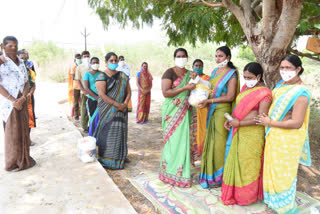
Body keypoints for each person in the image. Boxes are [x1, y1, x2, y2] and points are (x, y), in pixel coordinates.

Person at [255, 55, 312, 214]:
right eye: (282, 68)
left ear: (298, 69)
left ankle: (284, 207)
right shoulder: (281, 85)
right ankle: (273, 203)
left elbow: (296, 123)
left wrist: (270, 123)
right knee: (271, 169)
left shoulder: (301, 93)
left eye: (288, 68)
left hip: (288, 140)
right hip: (274, 135)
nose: (284, 71)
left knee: (282, 173)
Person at [221, 62, 272, 205]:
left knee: (248, 165)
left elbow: (262, 118)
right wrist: (231, 120)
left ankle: (246, 197)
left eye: (250, 77)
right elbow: (240, 109)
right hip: (239, 129)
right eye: (244, 77)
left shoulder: (265, 93)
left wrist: (240, 123)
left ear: (259, 76)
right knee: (237, 162)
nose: (247, 80)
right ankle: (234, 194)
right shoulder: (244, 88)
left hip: (253, 134)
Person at [198, 46, 239, 188]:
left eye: (220, 56)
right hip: (212, 109)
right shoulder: (215, 71)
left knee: (219, 144)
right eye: (216, 56)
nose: (217, 59)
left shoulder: (232, 74)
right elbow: (210, 89)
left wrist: (210, 101)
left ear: (228, 57)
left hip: (222, 112)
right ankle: (209, 173)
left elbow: (230, 96)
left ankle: (219, 176)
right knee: (211, 141)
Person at [159, 48, 196, 188]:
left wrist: (194, 80)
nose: (181, 58)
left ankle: (182, 174)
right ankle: (168, 171)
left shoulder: (189, 74)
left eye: (183, 56)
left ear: (187, 57)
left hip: (185, 111)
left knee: (183, 142)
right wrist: (185, 88)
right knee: (172, 142)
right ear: (174, 58)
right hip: (171, 112)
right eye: (178, 56)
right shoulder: (169, 72)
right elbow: (166, 92)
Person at [0, 36, 36, 171]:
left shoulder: (21, 62)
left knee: (23, 130)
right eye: (10, 46)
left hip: (21, 99)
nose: (14, 48)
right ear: (3, 47)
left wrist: (23, 98)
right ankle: (12, 162)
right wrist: (13, 100)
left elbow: (27, 81)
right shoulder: (1, 61)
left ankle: (24, 159)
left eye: (15, 45)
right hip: (9, 103)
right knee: (12, 132)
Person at [94, 52, 131, 169]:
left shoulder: (123, 75)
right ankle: (106, 159)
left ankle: (120, 157)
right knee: (108, 132)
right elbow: (102, 95)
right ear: (106, 63)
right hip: (108, 109)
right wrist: (117, 105)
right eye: (111, 61)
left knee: (120, 132)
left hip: (121, 108)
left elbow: (129, 91)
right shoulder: (101, 76)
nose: (114, 63)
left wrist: (125, 103)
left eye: (115, 60)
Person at [190, 59, 210, 163]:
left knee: (202, 128)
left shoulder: (207, 78)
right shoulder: (190, 77)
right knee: (193, 128)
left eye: (200, 65)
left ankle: (201, 150)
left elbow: (209, 90)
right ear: (192, 67)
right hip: (192, 108)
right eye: (196, 65)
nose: (198, 67)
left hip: (203, 107)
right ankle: (194, 150)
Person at [18, 50, 37, 137]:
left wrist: (30, 93)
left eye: (26, 58)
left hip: (28, 97)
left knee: (29, 118)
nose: (24, 60)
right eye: (22, 58)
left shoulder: (29, 71)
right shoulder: (13, 71)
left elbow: (33, 84)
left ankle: (27, 137)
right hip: (17, 99)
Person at [83, 57, 101, 136]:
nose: (95, 64)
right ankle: (92, 135)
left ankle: (99, 136)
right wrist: (96, 97)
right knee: (92, 118)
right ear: (90, 64)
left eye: (97, 62)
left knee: (100, 118)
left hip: (101, 99)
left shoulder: (102, 74)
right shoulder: (87, 74)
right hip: (92, 100)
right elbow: (86, 88)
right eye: (93, 63)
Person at [75, 51, 90, 132]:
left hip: (93, 92)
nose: (86, 58)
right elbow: (78, 80)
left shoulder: (92, 66)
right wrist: (83, 90)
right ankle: (84, 126)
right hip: (84, 92)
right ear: (82, 57)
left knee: (93, 109)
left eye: (88, 56)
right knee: (84, 108)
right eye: (85, 56)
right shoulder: (79, 67)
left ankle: (92, 125)